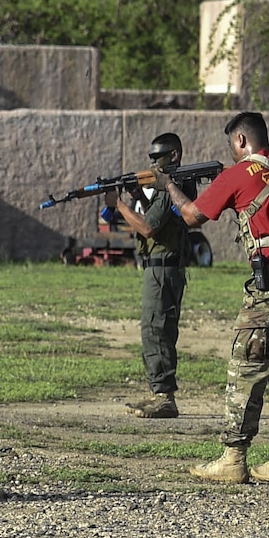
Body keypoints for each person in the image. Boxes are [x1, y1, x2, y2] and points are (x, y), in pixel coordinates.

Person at [164, 111, 269, 485]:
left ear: (240, 141)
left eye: (231, 147)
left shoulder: (237, 174)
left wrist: (168, 185)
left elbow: (192, 216)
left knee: (246, 369)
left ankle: (233, 458)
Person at [109, 132, 193, 419]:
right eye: (152, 158)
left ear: (175, 156)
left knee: (157, 330)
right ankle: (159, 392)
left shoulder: (175, 184)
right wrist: (136, 199)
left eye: (159, 157)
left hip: (163, 268)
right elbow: (153, 218)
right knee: (154, 329)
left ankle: (164, 397)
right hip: (158, 266)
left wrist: (118, 205)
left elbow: (147, 229)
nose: (154, 163)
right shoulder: (167, 188)